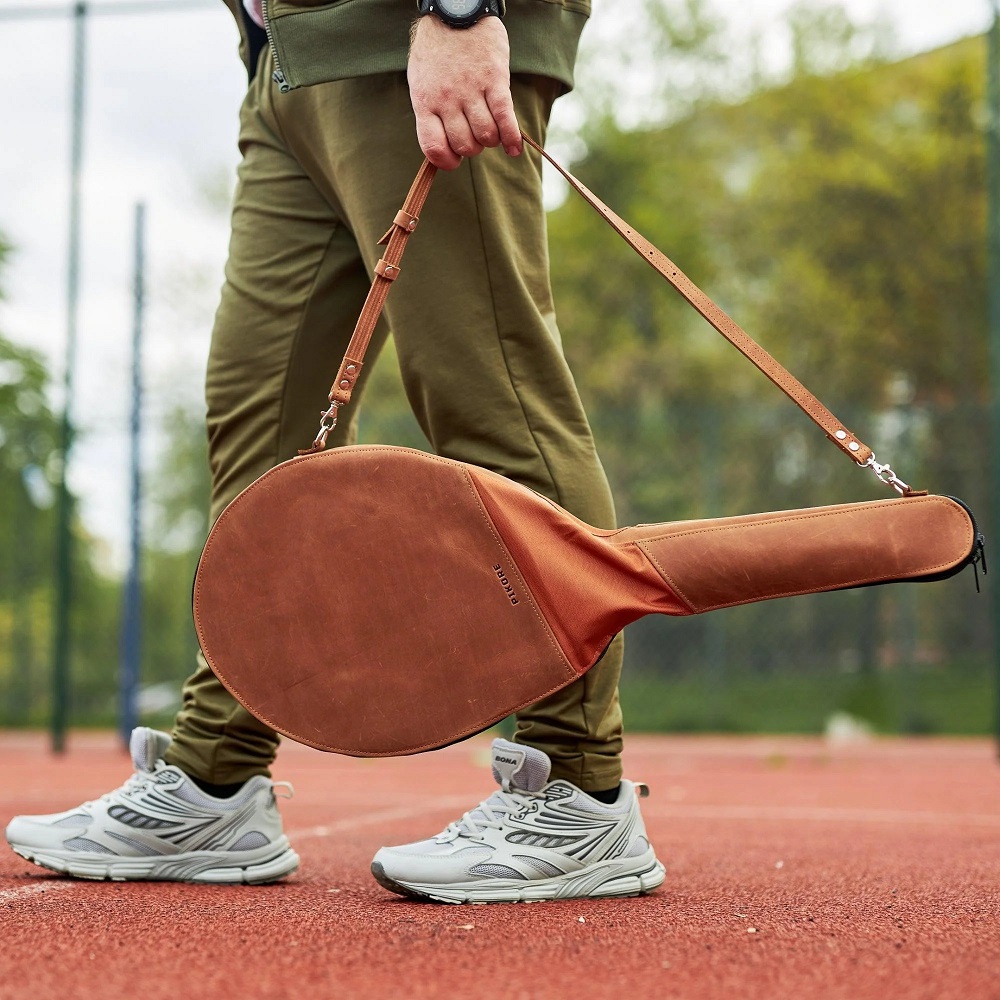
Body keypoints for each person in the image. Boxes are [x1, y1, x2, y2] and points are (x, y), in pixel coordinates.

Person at [5, 0, 665, 903]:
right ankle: (214, 778)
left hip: (410, 40)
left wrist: (460, 11)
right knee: (258, 432)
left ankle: (576, 787)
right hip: (287, 67)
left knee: (491, 400)